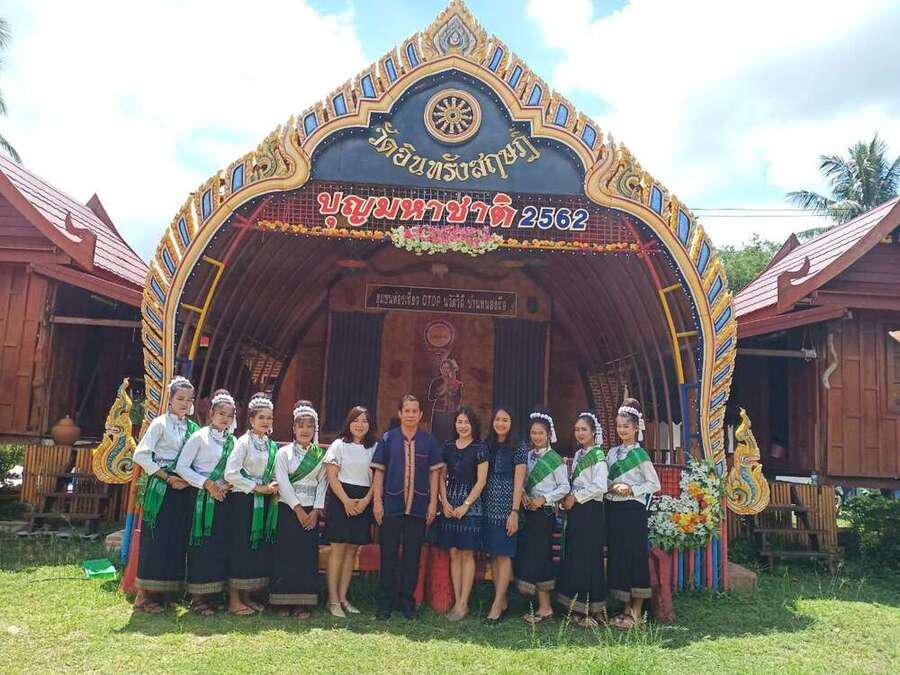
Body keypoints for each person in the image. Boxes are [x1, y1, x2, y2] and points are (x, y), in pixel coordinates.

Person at [371, 394, 444, 620]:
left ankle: (407, 602)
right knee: (388, 556)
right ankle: (385, 603)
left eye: (415, 411)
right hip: (391, 506)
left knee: (412, 557)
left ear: (420, 414)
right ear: (400, 413)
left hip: (419, 508)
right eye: (407, 411)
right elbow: (379, 472)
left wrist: (433, 503)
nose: (411, 415)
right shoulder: (388, 439)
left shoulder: (429, 441)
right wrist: (377, 502)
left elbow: (434, 474)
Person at [132, 375, 198, 613]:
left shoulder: (193, 429)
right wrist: (167, 478)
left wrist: (187, 480)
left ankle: (166, 593)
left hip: (184, 487)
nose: (184, 403)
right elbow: (141, 455)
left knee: (176, 538)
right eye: (180, 399)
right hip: (162, 486)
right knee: (155, 537)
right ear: (170, 400)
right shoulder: (160, 424)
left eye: (189, 400)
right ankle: (143, 596)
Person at [175, 389, 236, 616]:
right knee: (201, 545)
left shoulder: (233, 441)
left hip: (223, 498)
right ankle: (198, 598)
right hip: (202, 498)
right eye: (221, 413)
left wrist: (227, 484)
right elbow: (182, 467)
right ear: (211, 413)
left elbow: (236, 469)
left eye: (229, 415)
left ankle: (215, 595)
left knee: (220, 545)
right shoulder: (199, 437)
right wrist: (207, 484)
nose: (225, 419)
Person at [605, 398, 661, 630]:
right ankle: (625, 609)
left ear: (636, 427)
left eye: (626, 426)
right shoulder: (612, 453)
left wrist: (631, 489)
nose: (622, 430)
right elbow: (605, 479)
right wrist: (610, 487)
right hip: (614, 509)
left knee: (635, 558)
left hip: (633, 510)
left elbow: (654, 484)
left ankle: (636, 613)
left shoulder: (640, 455)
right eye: (619, 426)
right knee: (620, 557)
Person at [224, 392, 279, 615]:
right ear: (251, 419)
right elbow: (230, 473)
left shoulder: (270, 445)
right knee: (240, 548)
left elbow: (272, 472)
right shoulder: (243, 443)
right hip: (243, 501)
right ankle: (233, 600)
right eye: (261, 417)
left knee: (254, 548)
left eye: (269, 418)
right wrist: (257, 488)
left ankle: (246, 596)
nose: (266, 422)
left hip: (263, 501)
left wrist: (272, 486)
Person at [271, 400, 327, 619]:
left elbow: (323, 483)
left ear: (315, 429)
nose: (305, 430)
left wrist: (315, 511)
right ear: (293, 428)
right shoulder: (283, 454)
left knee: (305, 556)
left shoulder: (320, 456)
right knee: (286, 554)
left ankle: (303, 603)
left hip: (311, 512)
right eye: (300, 425)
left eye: (309, 426)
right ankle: (282, 601)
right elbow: (283, 483)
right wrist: (298, 509)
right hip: (288, 510)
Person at [515, 408, 569, 624]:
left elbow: (564, 487)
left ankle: (545, 607)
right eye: (533, 433)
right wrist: (524, 494)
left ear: (549, 434)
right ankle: (540, 605)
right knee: (531, 555)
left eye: (540, 433)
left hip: (544, 515)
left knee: (541, 557)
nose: (536, 437)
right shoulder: (528, 456)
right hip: (528, 512)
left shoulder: (555, 459)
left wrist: (544, 499)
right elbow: (521, 480)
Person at [435, 405, 488, 622]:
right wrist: (444, 501)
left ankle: (464, 603)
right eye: (459, 422)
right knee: (454, 553)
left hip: (471, 508)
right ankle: (456, 600)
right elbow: (440, 477)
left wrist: (466, 505)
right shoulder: (447, 446)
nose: (462, 426)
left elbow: (481, 481)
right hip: (450, 507)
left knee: (467, 554)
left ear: (473, 424)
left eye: (466, 422)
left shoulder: (480, 447)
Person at [323, 405, 377, 618]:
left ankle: (343, 597)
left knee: (352, 550)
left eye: (364, 421)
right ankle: (332, 600)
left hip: (363, 500)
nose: (360, 425)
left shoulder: (374, 447)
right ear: (349, 422)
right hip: (341, 500)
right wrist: (346, 501)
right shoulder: (338, 445)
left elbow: (377, 478)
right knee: (338, 549)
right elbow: (332, 477)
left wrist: (366, 501)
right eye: (356, 420)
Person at [556, 412, 608, 627]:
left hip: (591, 511)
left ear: (593, 432)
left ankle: (592, 610)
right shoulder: (578, 454)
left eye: (584, 429)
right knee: (575, 556)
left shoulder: (598, 455)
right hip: (576, 510)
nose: (580, 433)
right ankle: (576, 608)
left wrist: (575, 497)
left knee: (589, 557)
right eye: (577, 429)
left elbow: (600, 486)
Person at [482, 406, 526, 623]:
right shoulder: (487, 445)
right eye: (497, 419)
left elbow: (519, 483)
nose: (500, 423)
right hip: (488, 507)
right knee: (493, 554)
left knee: (504, 554)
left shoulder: (519, 447)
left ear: (511, 423)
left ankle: (497, 604)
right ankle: (503, 600)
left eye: (505, 420)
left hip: (508, 508)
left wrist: (515, 512)